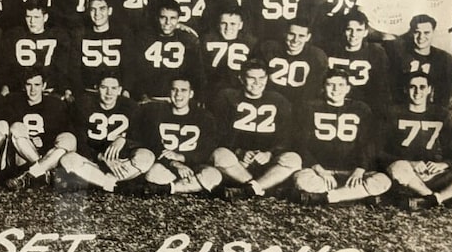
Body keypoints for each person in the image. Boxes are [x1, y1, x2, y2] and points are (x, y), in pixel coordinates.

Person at [292, 69, 391, 205]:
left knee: (383, 180)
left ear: (348, 88)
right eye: (330, 84)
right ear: (323, 87)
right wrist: (320, 171)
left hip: (351, 171)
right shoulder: (310, 107)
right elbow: (302, 144)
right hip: (321, 171)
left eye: (340, 85)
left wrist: (359, 170)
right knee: (300, 179)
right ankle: (352, 195)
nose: (335, 89)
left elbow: (368, 143)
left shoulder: (360, 108)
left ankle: (328, 197)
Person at [211, 60, 301, 199]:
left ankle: (249, 189)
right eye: (251, 78)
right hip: (238, 163)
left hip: (266, 162)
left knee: (294, 159)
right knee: (219, 155)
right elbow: (218, 133)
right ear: (241, 78)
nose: (257, 82)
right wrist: (239, 152)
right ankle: (261, 187)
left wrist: (269, 154)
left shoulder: (278, 100)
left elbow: (286, 136)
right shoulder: (228, 97)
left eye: (261, 78)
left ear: (267, 78)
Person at [59, 72, 155, 192]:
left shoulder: (130, 107)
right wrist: (100, 157)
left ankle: (100, 182)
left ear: (120, 90)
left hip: (121, 162)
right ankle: (115, 185)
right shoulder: (84, 105)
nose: (109, 93)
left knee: (147, 157)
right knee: (67, 159)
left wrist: (124, 140)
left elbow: (142, 138)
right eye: (104, 87)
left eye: (114, 88)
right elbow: (80, 141)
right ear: (96, 88)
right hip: (93, 161)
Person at [383, 73, 452, 210]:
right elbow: (379, 152)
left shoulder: (441, 114)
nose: (417, 92)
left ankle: (433, 199)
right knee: (397, 168)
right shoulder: (393, 113)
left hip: (433, 173)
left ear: (429, 90)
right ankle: (433, 197)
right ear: (405, 89)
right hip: (407, 175)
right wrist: (410, 163)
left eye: (422, 87)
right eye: (412, 87)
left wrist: (443, 164)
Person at [136, 77, 222, 195]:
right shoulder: (157, 114)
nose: (178, 94)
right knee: (153, 173)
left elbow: (207, 150)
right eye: (174, 90)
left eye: (183, 90)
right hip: (168, 165)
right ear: (169, 92)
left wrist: (182, 157)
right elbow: (153, 146)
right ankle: (192, 187)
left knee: (214, 175)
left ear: (191, 93)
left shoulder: (203, 117)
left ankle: (168, 189)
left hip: (195, 165)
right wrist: (175, 164)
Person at [5, 69, 76, 189]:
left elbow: (64, 132)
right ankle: (42, 172)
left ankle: (34, 173)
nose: (33, 90)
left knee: (70, 139)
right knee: (15, 128)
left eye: (37, 85)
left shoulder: (56, 104)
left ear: (44, 86)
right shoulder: (14, 102)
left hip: (51, 152)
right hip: (26, 154)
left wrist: (45, 140)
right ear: (24, 86)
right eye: (29, 84)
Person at [131, 0, 204, 102]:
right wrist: (141, 96)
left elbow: (196, 74)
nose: (167, 22)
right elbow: (135, 71)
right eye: (163, 17)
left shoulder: (187, 40)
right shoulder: (144, 39)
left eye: (172, 18)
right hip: (150, 98)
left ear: (179, 19)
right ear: (157, 18)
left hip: (178, 100)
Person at [0, 0, 70, 98]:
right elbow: (7, 67)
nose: (32, 21)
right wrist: (6, 86)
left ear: (45, 17)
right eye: (29, 17)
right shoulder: (15, 35)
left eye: (36, 17)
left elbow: (61, 70)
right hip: (21, 91)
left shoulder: (57, 36)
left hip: (48, 91)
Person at [325, 9, 391, 112]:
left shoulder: (375, 53)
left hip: (362, 106)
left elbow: (381, 88)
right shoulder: (330, 50)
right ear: (343, 30)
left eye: (358, 30)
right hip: (333, 103)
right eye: (349, 29)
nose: (353, 34)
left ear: (365, 32)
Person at [387, 14, 452, 108]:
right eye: (417, 32)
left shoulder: (445, 60)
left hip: (430, 112)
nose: (421, 37)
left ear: (434, 32)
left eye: (426, 32)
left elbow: (443, 99)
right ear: (411, 33)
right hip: (402, 110)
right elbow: (392, 92)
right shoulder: (399, 56)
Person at [69, 0, 133, 96]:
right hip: (88, 91)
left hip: (114, 93)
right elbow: (74, 68)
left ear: (110, 11)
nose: (97, 14)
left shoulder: (122, 34)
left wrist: (126, 89)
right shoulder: (80, 35)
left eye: (102, 9)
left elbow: (129, 66)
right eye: (93, 9)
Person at [258, 18, 328, 109]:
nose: (295, 40)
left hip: (300, 106)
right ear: (285, 33)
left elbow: (316, 89)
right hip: (269, 103)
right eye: (292, 34)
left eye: (301, 36)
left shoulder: (316, 56)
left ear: (308, 37)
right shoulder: (269, 49)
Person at [201, 8, 257, 103]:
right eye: (224, 23)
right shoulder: (207, 40)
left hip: (239, 93)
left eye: (233, 24)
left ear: (240, 25)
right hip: (211, 93)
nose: (228, 28)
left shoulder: (251, 43)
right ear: (218, 25)